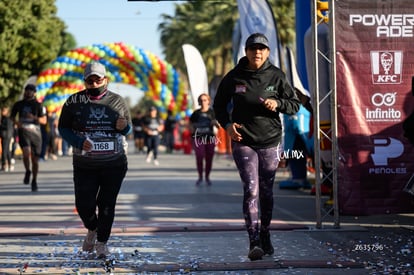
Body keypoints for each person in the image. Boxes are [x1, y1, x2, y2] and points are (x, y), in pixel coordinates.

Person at [213, 33, 300, 261]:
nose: (257, 53)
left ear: (268, 52)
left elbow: (294, 105)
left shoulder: (276, 75)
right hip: (243, 140)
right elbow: (218, 105)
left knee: (267, 192)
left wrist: (278, 103)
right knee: (251, 189)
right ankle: (253, 242)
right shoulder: (234, 76)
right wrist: (228, 125)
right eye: (253, 49)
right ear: (247, 51)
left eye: (261, 49)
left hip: (270, 140)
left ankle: (265, 233)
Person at [58, 61, 132, 259]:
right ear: (85, 82)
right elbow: (62, 128)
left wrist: (123, 126)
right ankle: (92, 228)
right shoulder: (73, 102)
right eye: (90, 81)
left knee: (107, 204)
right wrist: (78, 141)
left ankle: (102, 242)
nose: (94, 84)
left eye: (97, 80)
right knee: (84, 205)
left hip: (114, 163)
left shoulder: (118, 101)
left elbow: (128, 129)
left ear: (105, 80)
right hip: (85, 164)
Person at [11, 84, 47, 191]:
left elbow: (44, 121)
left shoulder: (39, 105)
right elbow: (12, 117)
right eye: (27, 90)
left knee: (35, 161)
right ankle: (27, 170)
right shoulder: (19, 104)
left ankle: (34, 180)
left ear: (34, 93)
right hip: (23, 131)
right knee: (26, 154)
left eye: (31, 90)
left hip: (36, 133)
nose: (28, 92)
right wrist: (18, 123)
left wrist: (34, 117)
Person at [189, 93, 219, 186]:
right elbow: (190, 124)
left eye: (205, 100)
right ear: (199, 102)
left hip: (209, 138)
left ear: (208, 101)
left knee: (209, 158)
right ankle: (200, 176)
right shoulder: (196, 113)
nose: (203, 102)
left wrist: (215, 123)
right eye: (201, 100)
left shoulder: (212, 113)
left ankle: (207, 177)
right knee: (199, 156)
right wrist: (192, 130)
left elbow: (219, 126)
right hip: (198, 138)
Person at [0, 107, 15, 172]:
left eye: (3, 111)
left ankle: (4, 165)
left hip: (6, 136)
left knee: (4, 150)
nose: (2, 112)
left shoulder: (6, 119)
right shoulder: (5, 118)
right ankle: (9, 164)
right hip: (7, 136)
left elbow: (8, 128)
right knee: (7, 150)